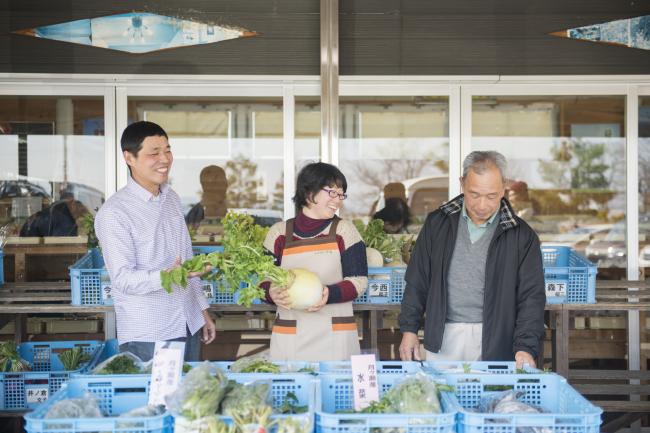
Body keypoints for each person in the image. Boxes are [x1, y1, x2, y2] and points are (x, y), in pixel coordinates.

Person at [398, 151, 545, 367]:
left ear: (504, 188)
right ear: (462, 184)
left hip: (497, 339)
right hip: (443, 335)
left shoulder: (522, 236)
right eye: (474, 194)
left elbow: (531, 298)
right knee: (443, 395)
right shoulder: (437, 224)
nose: (482, 205)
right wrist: (409, 329)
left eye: (492, 196)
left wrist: (525, 347)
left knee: (492, 399)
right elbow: (417, 280)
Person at [95, 121, 216, 362]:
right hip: (150, 332)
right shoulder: (115, 212)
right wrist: (170, 275)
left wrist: (202, 311)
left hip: (187, 323)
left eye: (167, 150)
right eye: (154, 153)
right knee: (156, 399)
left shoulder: (171, 198)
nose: (165, 159)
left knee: (190, 398)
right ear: (129, 157)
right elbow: (123, 279)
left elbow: (186, 261)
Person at [262, 162, 368, 361]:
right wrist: (271, 293)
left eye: (341, 194)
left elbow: (359, 281)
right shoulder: (279, 233)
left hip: (336, 334)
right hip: (290, 334)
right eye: (332, 192)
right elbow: (261, 279)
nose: (338, 200)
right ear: (309, 193)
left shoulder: (345, 231)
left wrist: (329, 293)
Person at [20, 192, 88, 237]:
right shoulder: (64, 219)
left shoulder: (56, 210)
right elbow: (64, 247)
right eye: (83, 209)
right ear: (72, 203)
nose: (82, 214)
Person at [186, 165, 228, 229]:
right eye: (223, 181)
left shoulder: (196, 213)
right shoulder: (196, 215)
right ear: (211, 184)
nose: (226, 184)